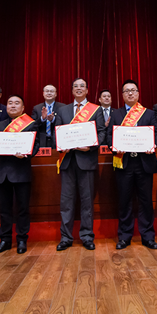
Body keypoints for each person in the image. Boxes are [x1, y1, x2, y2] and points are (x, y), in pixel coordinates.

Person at [106, 80, 157, 250]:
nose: (130, 93)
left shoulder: (149, 113)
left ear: (138, 93)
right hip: (124, 162)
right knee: (124, 201)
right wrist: (115, 146)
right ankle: (124, 237)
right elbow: (109, 136)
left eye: (133, 90)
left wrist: (152, 144)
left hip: (144, 162)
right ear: (122, 95)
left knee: (146, 201)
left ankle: (148, 236)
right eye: (126, 91)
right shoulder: (116, 114)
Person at [54, 78, 106, 251]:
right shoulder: (63, 110)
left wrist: (90, 146)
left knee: (87, 201)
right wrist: (60, 145)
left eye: (82, 86)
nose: (78, 88)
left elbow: (101, 132)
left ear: (87, 90)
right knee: (66, 202)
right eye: (75, 86)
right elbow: (56, 133)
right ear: (71, 90)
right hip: (67, 161)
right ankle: (65, 238)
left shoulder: (96, 110)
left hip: (87, 161)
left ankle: (87, 236)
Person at [0, 95, 40, 255]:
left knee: (22, 208)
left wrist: (26, 153)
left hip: (21, 171)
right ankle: (5, 240)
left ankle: (22, 239)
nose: (13, 105)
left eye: (17, 103)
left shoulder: (30, 123)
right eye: (10, 103)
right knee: (4, 209)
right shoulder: (0, 125)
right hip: (2, 173)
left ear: (23, 108)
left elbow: (36, 145)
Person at [31, 85, 65, 149]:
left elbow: (65, 123)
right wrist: (42, 119)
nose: (49, 93)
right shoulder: (37, 108)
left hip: (57, 140)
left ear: (56, 94)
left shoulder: (62, 107)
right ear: (43, 94)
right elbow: (32, 125)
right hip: (41, 141)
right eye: (47, 91)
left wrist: (53, 120)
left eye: (51, 91)